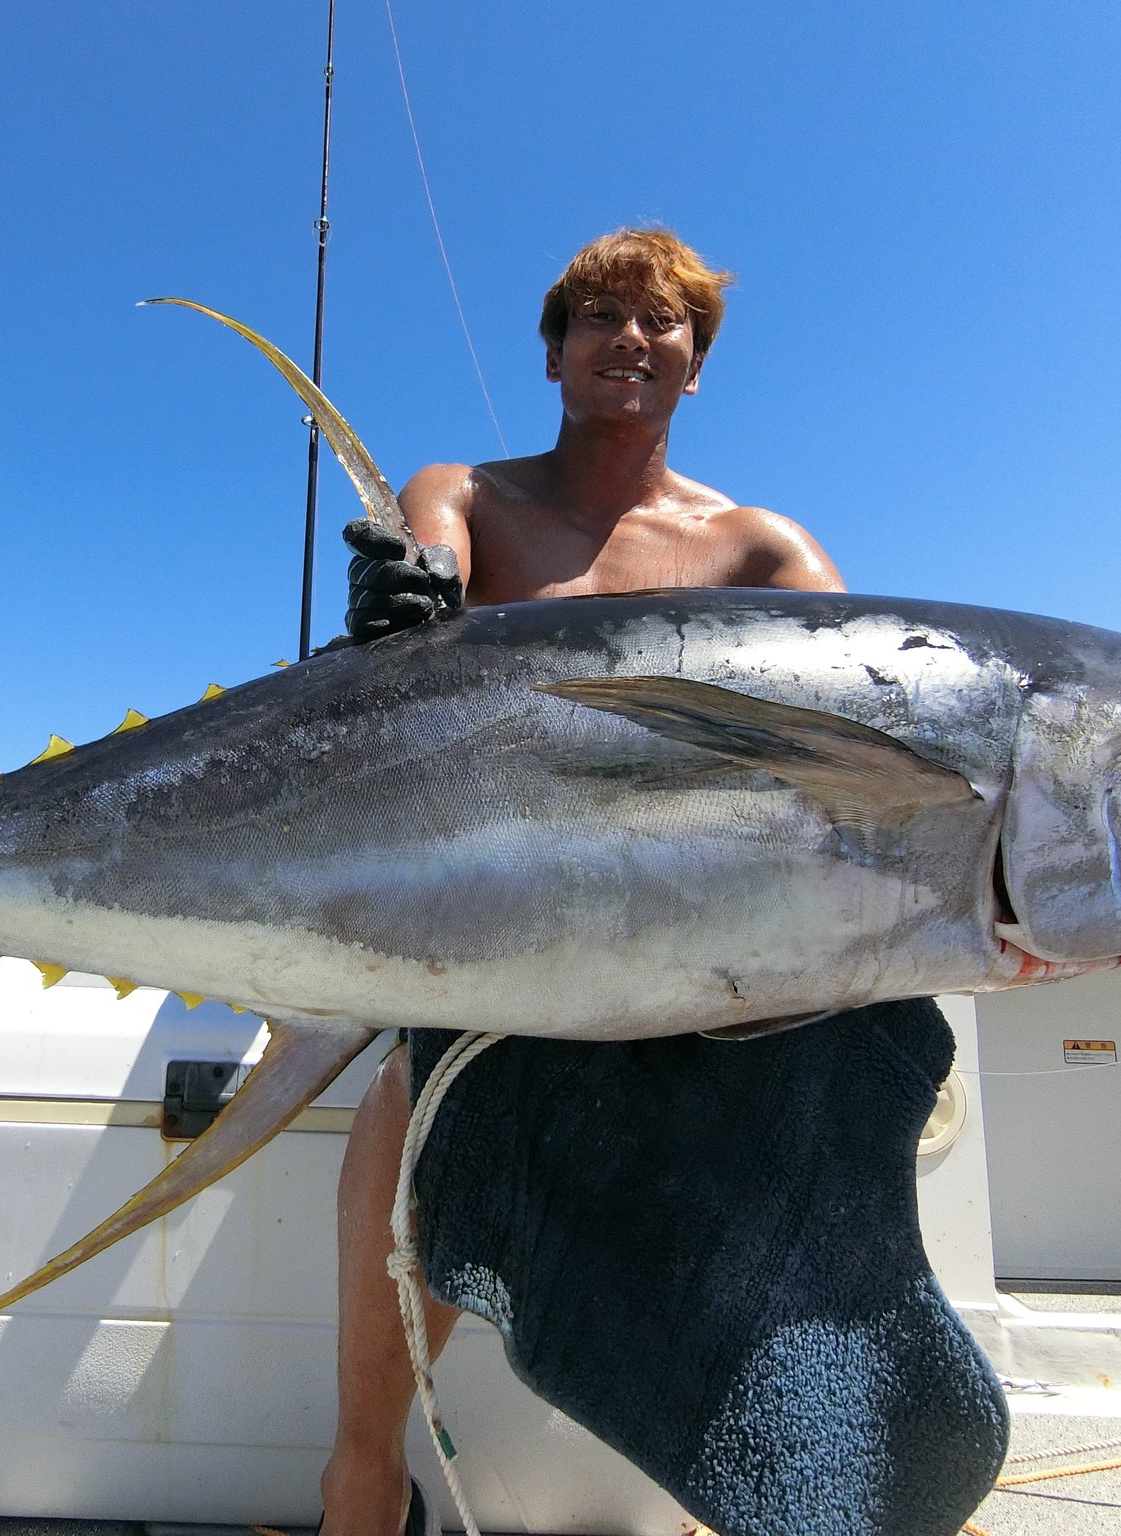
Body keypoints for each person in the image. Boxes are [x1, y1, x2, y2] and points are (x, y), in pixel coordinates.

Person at [318, 227, 845, 1536]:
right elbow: (421, 560)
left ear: (696, 366)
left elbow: (867, 716)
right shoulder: (475, 495)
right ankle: (362, 1472)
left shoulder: (757, 547)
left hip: (693, 959)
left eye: (664, 322)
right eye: (601, 315)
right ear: (554, 353)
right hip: (490, 933)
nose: (632, 338)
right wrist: (398, 598)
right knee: (415, 1114)